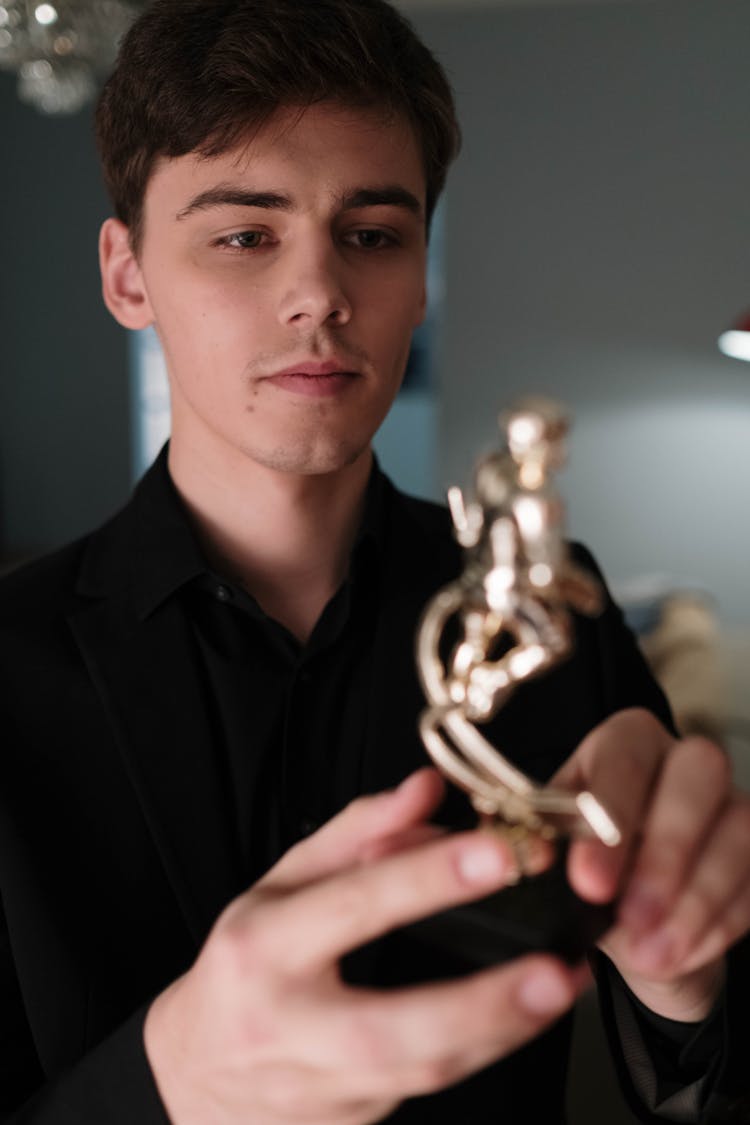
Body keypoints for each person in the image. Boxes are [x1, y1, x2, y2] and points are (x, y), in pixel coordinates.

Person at [0, 1, 748, 1122]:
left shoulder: (556, 619)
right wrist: (174, 1084)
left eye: (374, 234)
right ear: (128, 276)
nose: (323, 295)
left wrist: (684, 983)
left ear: (420, 275)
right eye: (245, 235)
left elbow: (699, 1090)